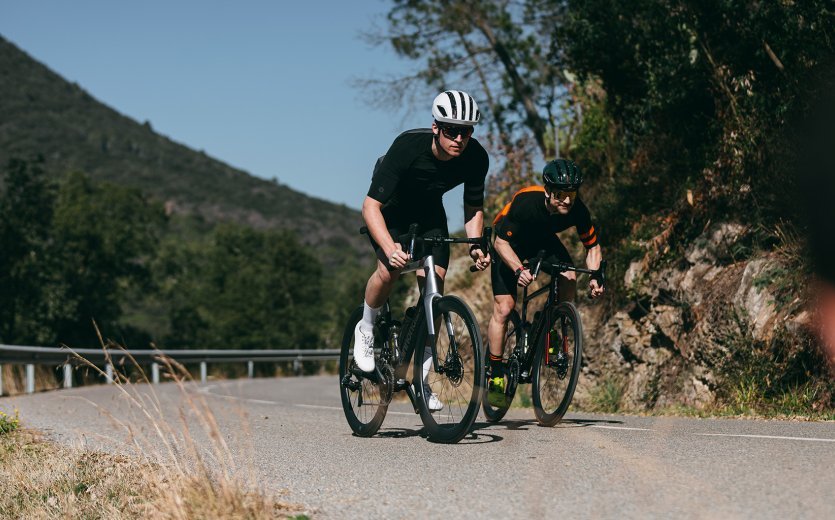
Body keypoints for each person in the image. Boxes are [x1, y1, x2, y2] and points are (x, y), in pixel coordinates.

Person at [354, 90, 492, 411]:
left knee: (434, 291)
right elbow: (370, 206)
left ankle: (422, 380)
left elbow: (473, 208)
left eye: (466, 131)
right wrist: (389, 247)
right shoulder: (407, 147)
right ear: (435, 128)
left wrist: (475, 244)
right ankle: (367, 326)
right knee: (388, 272)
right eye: (451, 130)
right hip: (392, 211)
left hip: (430, 214)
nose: (459, 138)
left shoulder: (476, 158)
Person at [486, 158, 604, 406]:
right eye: (560, 194)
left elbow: (592, 246)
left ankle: (549, 321)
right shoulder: (526, 203)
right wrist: (518, 268)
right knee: (505, 307)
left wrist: (595, 276)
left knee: (569, 275)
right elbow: (500, 242)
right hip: (510, 244)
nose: (567, 200)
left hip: (542, 241)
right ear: (548, 191)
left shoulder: (577, 210)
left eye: (571, 194)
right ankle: (495, 375)